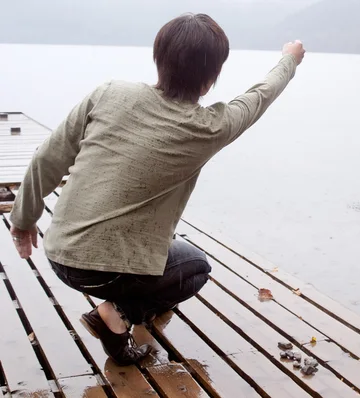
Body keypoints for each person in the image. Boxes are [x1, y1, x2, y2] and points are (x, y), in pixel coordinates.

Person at [9, 13, 305, 366]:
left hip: (59, 256)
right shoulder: (210, 127)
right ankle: (115, 313)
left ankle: (117, 319)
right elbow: (261, 94)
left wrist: (23, 220)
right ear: (210, 80)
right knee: (195, 265)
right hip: (107, 273)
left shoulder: (108, 93)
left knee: (172, 251)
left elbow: (46, 159)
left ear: (158, 59)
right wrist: (290, 58)